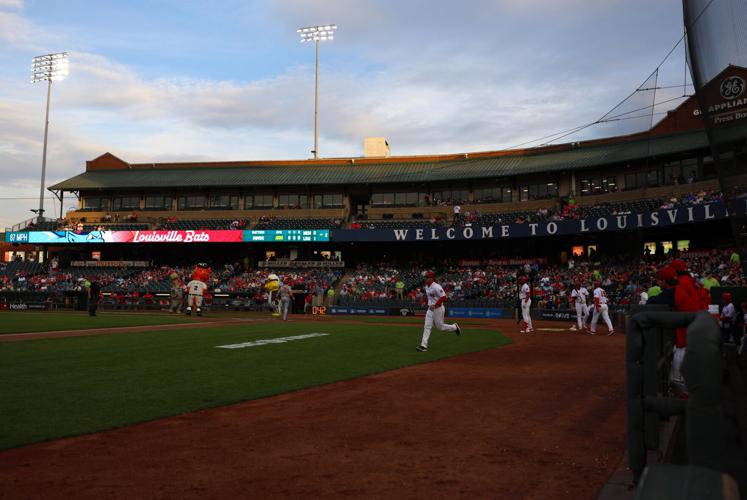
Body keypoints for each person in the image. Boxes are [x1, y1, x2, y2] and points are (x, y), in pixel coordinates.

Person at [416, 271, 461, 352]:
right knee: (427, 326)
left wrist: (435, 305)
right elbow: (429, 297)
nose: (425, 278)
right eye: (425, 277)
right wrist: (424, 302)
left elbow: (443, 297)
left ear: (432, 278)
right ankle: (423, 346)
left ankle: (454, 327)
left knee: (440, 327)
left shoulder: (437, 286)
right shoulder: (427, 286)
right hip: (430, 309)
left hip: (438, 309)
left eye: (427, 277)